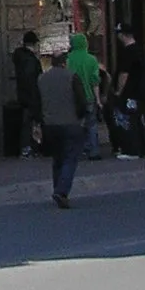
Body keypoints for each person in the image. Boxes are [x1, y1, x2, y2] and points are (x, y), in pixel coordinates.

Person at [39, 40, 90, 207]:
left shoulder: (42, 79)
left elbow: (38, 101)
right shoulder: (72, 76)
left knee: (57, 159)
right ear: (64, 63)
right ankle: (61, 191)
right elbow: (82, 101)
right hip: (70, 123)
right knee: (70, 158)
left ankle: (57, 188)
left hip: (50, 124)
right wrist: (81, 117)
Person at [111, 28, 145, 159]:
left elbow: (124, 74)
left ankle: (132, 150)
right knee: (137, 119)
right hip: (139, 91)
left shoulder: (127, 52)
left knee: (128, 120)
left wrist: (118, 91)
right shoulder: (140, 50)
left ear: (123, 35)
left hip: (129, 92)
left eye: (119, 34)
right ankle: (142, 148)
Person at [68, 28, 104, 157]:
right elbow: (95, 81)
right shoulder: (92, 59)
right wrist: (98, 100)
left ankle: (78, 149)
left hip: (73, 98)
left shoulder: (68, 60)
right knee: (92, 124)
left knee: (75, 125)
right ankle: (94, 150)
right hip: (88, 96)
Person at [10, 29, 43, 155]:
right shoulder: (30, 60)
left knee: (27, 122)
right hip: (32, 95)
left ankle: (27, 147)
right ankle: (30, 147)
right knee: (32, 122)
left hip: (23, 94)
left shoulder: (20, 57)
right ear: (33, 44)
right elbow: (32, 79)